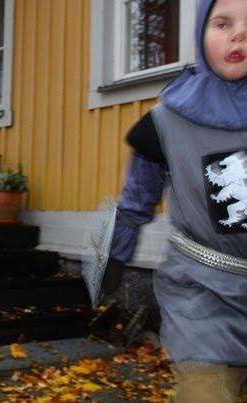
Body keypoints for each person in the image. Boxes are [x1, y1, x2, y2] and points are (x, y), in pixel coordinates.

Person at [100, 1, 247, 401]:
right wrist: (113, 258)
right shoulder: (166, 122)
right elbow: (136, 199)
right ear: (199, 32)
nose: (238, 34)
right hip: (201, 287)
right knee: (206, 390)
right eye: (222, 23)